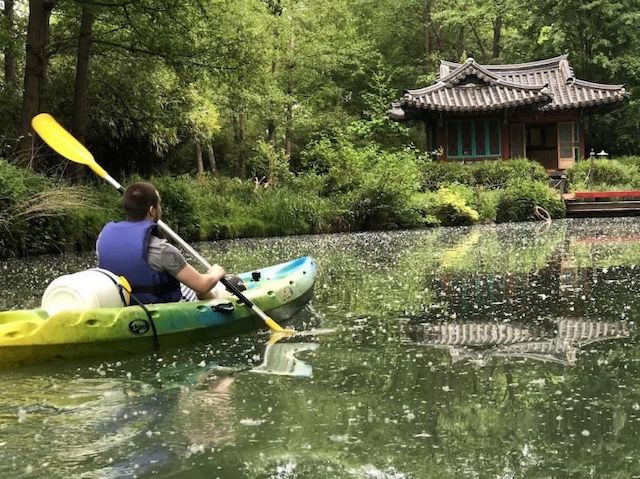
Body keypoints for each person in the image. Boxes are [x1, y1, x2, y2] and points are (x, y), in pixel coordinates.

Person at [96, 181, 225, 303]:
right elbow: (202, 285)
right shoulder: (162, 250)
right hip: (161, 308)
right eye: (159, 204)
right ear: (152, 210)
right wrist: (217, 272)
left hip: (125, 302)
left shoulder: (102, 238)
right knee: (207, 287)